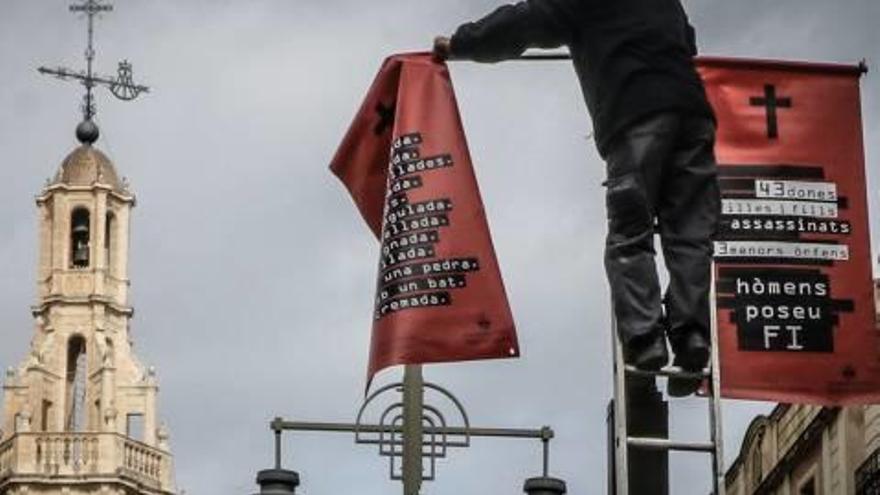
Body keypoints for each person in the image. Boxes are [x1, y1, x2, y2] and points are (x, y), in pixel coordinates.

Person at [434, 0, 720, 396]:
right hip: (693, 114)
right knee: (689, 236)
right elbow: (688, 42)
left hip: (634, 114)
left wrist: (461, 44)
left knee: (630, 235)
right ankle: (692, 340)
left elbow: (525, 23)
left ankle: (645, 339)